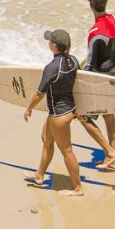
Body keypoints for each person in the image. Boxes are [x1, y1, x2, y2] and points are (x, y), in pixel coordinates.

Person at [22, 29, 84, 197]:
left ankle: (78, 188)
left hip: (59, 115)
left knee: (67, 151)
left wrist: (29, 108)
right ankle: (40, 175)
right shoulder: (73, 60)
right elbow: (80, 85)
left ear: (54, 46)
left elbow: (39, 93)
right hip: (68, 110)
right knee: (46, 140)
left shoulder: (51, 67)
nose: (48, 43)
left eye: (50, 41)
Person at [78, 0, 115, 171]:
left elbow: (90, 65)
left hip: (102, 80)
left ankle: (111, 154)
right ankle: (113, 159)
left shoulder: (94, 33)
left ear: (91, 6)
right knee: (109, 117)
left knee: (81, 116)